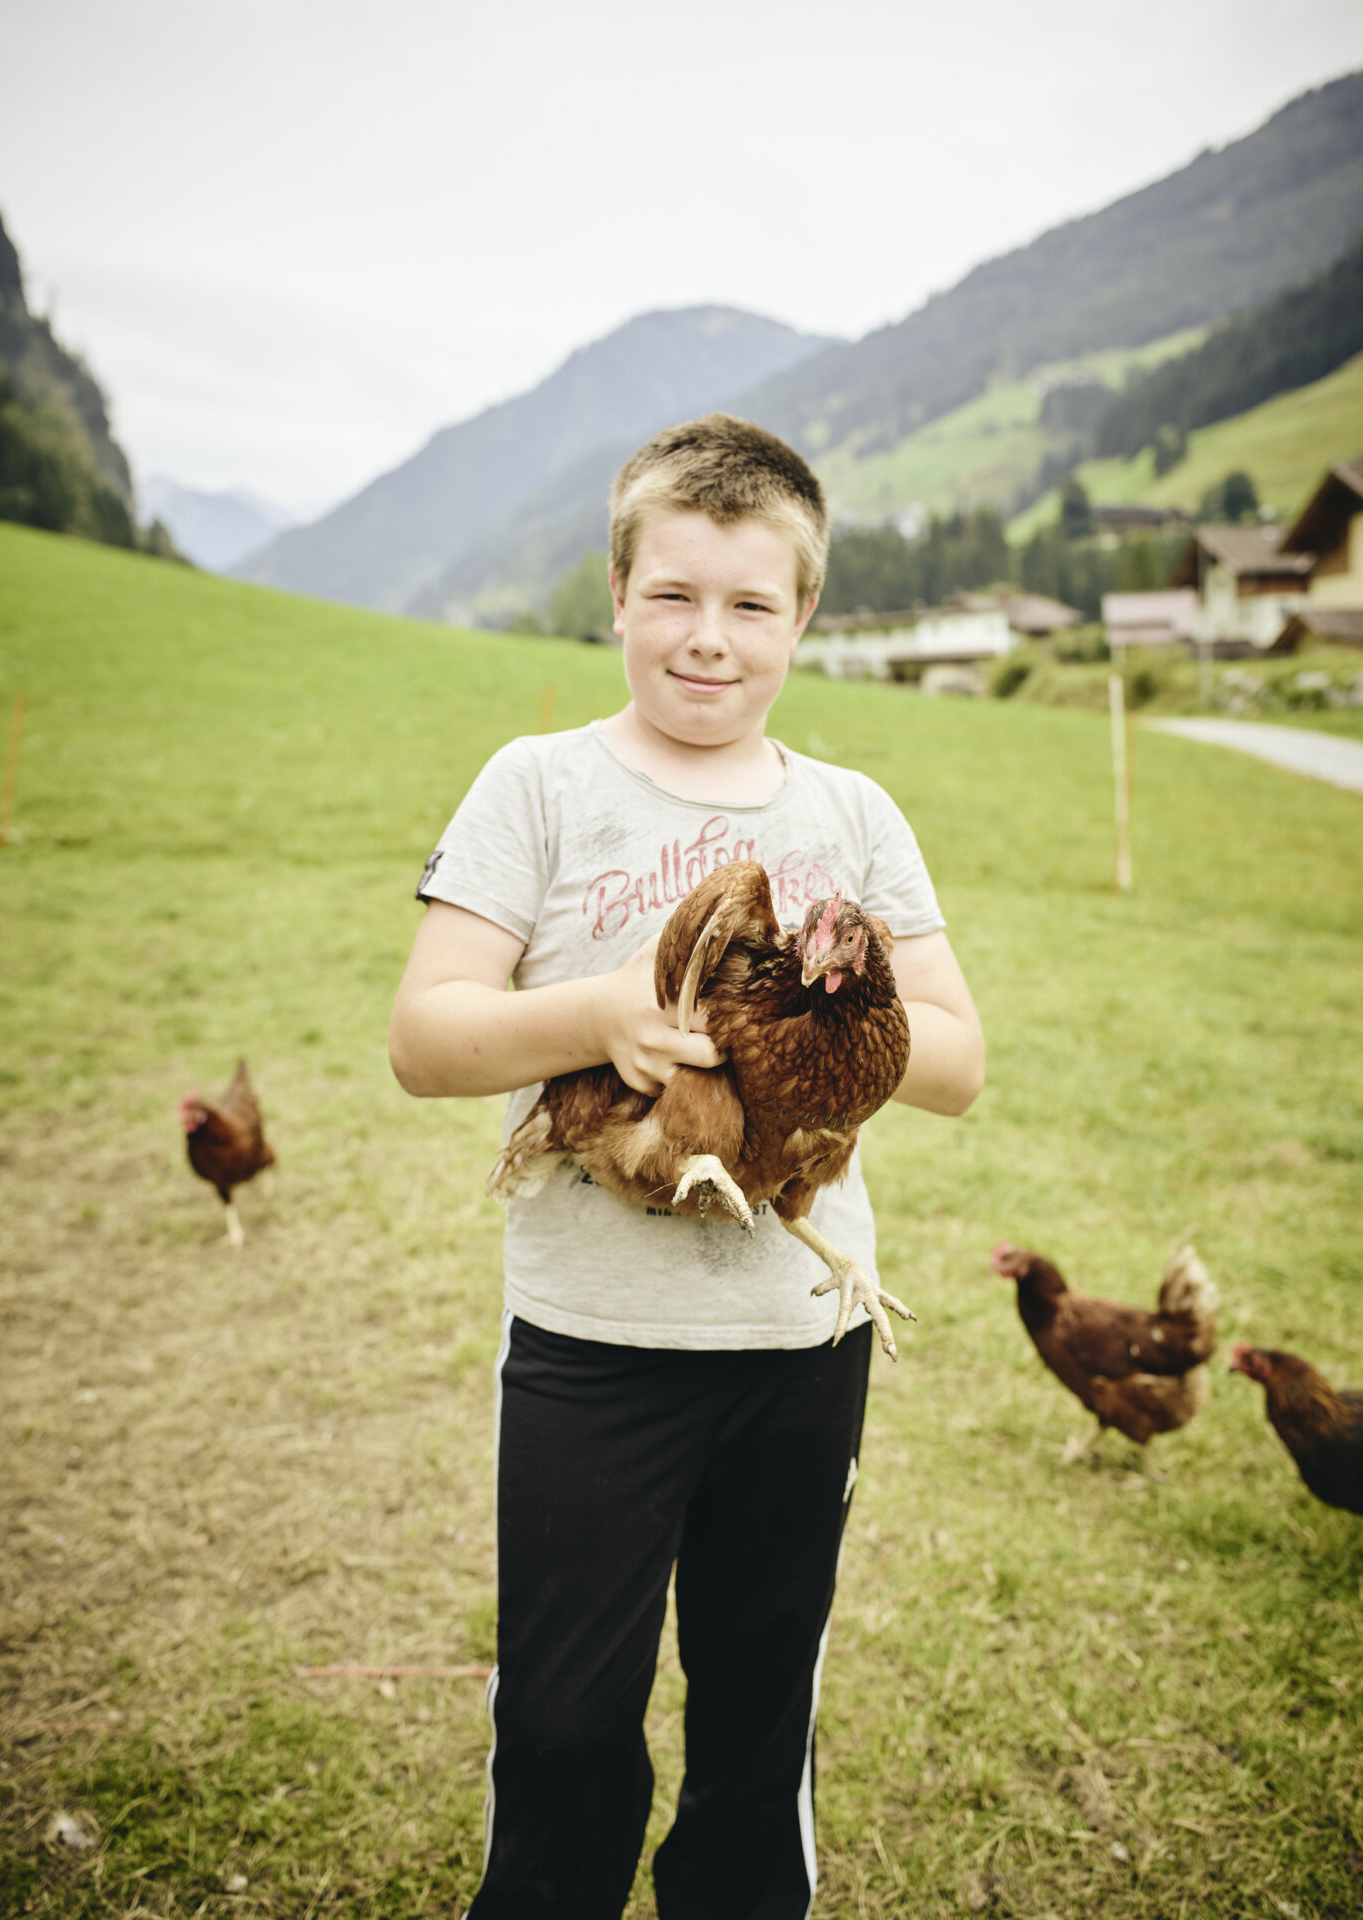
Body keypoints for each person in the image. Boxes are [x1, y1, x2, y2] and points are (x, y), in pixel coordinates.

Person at [389, 413, 984, 1920]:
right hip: (594, 1350)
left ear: (803, 619)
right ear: (616, 598)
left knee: (755, 1708)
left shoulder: (850, 816)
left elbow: (960, 1062)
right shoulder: (539, 784)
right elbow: (426, 1034)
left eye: (748, 604)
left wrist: (815, 1012)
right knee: (567, 1722)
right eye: (673, 595)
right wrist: (595, 1013)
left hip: (798, 1350)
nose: (706, 639)